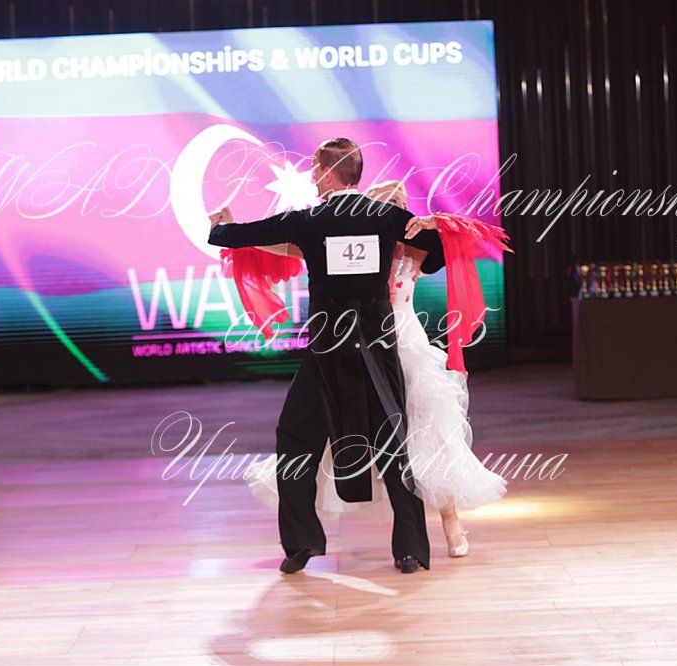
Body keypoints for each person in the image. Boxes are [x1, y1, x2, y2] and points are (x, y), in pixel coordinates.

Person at [208, 138, 444, 574]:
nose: (313, 176)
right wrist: (429, 226)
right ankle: (410, 549)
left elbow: (246, 234)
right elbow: (436, 253)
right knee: (393, 444)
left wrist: (221, 228)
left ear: (329, 173)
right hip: (377, 347)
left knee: (296, 439)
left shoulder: (308, 220)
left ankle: (301, 543)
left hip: (327, 350)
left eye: (316, 168)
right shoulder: (385, 216)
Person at [242, 180, 509, 558]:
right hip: (361, 345)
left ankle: (449, 524)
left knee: (429, 435)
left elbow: (464, 240)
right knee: (344, 430)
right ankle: (312, 534)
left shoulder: (417, 250)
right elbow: (287, 244)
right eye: (386, 204)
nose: (394, 212)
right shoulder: (347, 247)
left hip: (407, 347)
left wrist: (436, 222)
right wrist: (238, 234)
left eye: (399, 205)